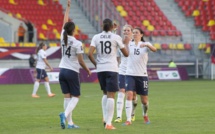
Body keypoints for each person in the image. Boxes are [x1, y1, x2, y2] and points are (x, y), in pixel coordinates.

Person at [88, 18, 129, 130]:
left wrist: (96, 64)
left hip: (101, 69)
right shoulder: (116, 37)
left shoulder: (96, 37)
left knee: (105, 93)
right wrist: (125, 43)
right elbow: (125, 54)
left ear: (102, 26)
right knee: (111, 95)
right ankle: (109, 123)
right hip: (112, 68)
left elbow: (89, 54)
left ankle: (105, 118)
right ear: (112, 26)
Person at [58, 0, 91, 129]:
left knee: (67, 97)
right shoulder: (77, 43)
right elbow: (81, 61)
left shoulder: (62, 37)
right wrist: (88, 70)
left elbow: (64, 22)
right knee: (76, 96)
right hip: (72, 71)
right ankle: (64, 115)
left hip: (62, 71)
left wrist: (68, 8)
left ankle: (70, 123)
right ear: (74, 30)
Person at [122, 27, 157, 126]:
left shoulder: (146, 45)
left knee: (144, 100)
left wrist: (146, 44)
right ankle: (128, 119)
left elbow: (155, 49)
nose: (134, 34)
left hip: (142, 75)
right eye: (133, 33)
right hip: (130, 74)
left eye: (136, 33)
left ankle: (145, 115)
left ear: (141, 35)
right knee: (129, 95)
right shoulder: (129, 44)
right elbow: (123, 44)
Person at [114, 25, 138, 123]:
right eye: (124, 30)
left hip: (133, 72)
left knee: (133, 95)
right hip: (122, 71)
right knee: (121, 92)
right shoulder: (120, 43)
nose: (126, 32)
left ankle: (132, 113)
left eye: (128, 30)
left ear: (132, 32)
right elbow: (118, 57)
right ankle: (119, 116)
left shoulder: (135, 43)